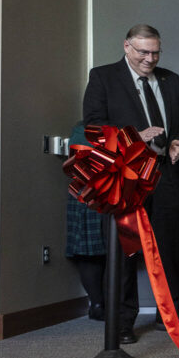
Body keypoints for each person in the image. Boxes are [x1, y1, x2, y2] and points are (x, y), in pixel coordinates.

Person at [82, 23, 179, 343]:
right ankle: (121, 321)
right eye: (143, 52)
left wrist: (177, 141)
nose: (150, 58)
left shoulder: (171, 79)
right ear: (126, 47)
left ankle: (171, 314)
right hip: (127, 176)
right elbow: (93, 130)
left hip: (167, 175)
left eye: (155, 52)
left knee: (170, 248)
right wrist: (135, 137)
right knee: (126, 250)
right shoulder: (103, 77)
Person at [64, 122, 106, 321]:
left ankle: (109, 304)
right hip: (88, 188)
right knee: (89, 251)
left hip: (116, 188)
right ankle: (97, 304)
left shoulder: (128, 126)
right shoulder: (82, 129)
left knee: (115, 251)